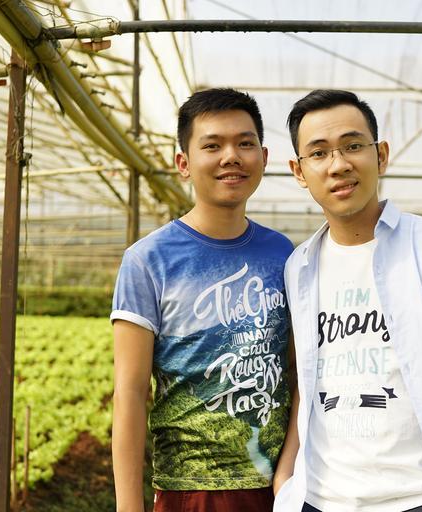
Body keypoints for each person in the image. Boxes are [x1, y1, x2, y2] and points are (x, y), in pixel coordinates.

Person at [272, 90, 422, 512]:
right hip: (319, 499)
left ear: (380, 155)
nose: (338, 165)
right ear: (299, 171)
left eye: (353, 146)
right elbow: (307, 381)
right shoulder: (300, 266)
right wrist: (286, 478)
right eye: (319, 153)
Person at [111, 88, 294, 512]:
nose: (231, 156)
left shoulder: (284, 254)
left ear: (263, 157)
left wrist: (289, 473)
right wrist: (128, 506)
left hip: (278, 488)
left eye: (245, 143)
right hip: (189, 490)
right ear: (184, 163)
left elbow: (295, 373)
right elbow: (130, 393)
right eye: (212, 146)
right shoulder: (148, 260)